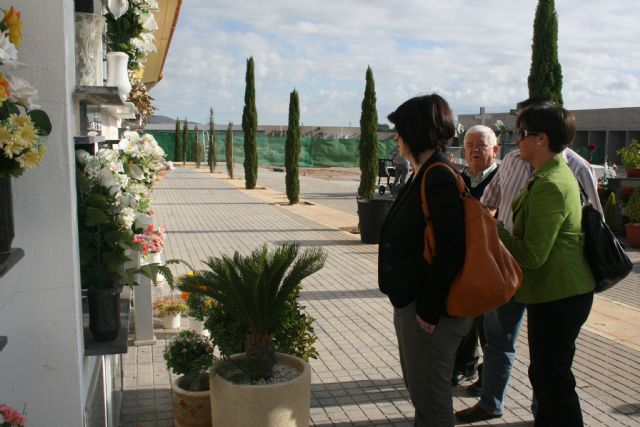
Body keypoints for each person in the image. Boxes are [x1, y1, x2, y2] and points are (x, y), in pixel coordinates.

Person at [456, 100, 602, 424]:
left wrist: (494, 230)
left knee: (553, 379)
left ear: (542, 138)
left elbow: (532, 255)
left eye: (522, 133)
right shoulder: (541, 172)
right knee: (545, 373)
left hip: (558, 293)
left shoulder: (553, 182)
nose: (516, 139)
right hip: (543, 290)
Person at [378, 94, 473, 426]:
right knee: (423, 397)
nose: (397, 138)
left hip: (431, 314)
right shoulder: (425, 172)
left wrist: (429, 308)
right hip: (416, 305)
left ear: (415, 132)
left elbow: (451, 247)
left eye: (400, 130)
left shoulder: (438, 176)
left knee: (431, 402)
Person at [452, 125, 500, 387]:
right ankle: (465, 365)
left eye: (481, 145)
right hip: (464, 263)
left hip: (491, 265)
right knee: (465, 318)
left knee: (489, 325)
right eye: (469, 145)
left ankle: (488, 376)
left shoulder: (504, 179)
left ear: (495, 150)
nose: (474, 151)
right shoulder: (458, 179)